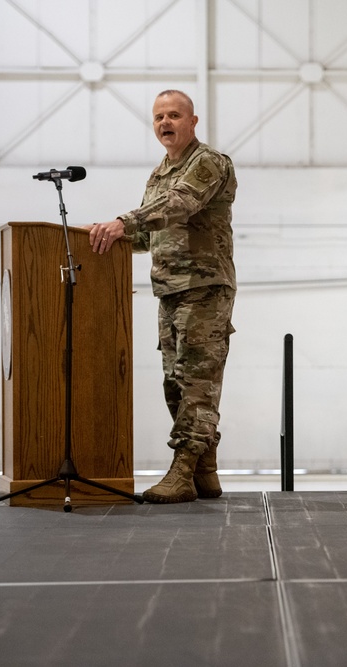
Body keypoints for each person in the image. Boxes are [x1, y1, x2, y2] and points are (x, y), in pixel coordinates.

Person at [88, 89, 237, 504]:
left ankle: (183, 470)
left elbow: (181, 205)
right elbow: (145, 233)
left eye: (174, 115)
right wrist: (97, 235)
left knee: (197, 385)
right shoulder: (159, 173)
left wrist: (122, 221)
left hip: (204, 289)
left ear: (193, 121)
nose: (165, 123)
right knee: (175, 383)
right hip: (169, 290)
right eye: (158, 117)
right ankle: (204, 469)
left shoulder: (208, 162)